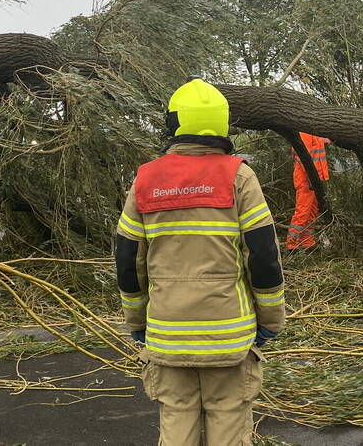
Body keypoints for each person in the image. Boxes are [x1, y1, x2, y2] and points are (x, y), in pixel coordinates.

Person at [116, 79, 285, 446]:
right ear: (222, 124)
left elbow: (128, 260)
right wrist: (271, 320)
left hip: (167, 333)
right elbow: (264, 257)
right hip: (229, 335)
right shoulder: (238, 175)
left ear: (174, 123)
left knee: (176, 421)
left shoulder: (145, 179)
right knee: (229, 420)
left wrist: (136, 321)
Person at [286, 132, 330, 250]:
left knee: (312, 212)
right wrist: (311, 177)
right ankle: (292, 244)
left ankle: (307, 242)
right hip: (306, 180)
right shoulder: (304, 132)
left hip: (315, 178)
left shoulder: (313, 131)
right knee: (303, 211)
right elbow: (303, 157)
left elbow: (319, 144)